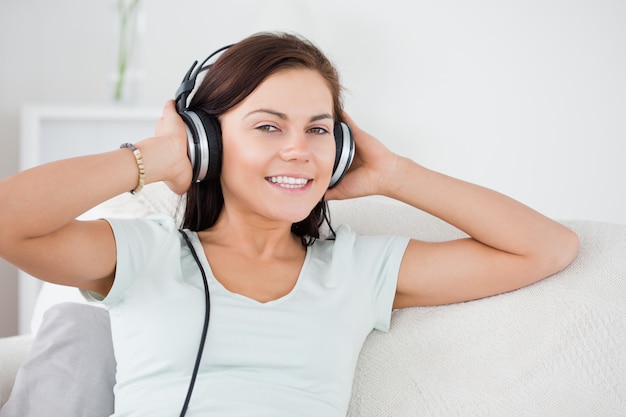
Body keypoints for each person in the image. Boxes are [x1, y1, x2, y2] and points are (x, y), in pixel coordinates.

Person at [0, 32, 579, 416]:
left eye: (319, 129)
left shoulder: (357, 270)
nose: (299, 150)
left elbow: (546, 249)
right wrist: (156, 159)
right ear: (208, 142)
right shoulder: (141, 254)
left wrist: (395, 173)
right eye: (269, 127)